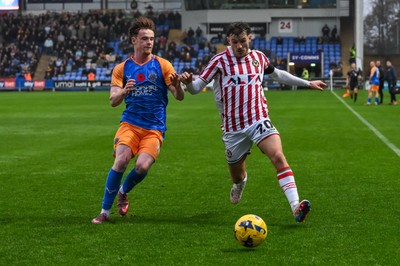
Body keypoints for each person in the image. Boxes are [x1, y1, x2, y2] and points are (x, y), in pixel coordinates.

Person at [180, 22, 326, 223]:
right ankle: (240, 184)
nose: (239, 46)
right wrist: (188, 83)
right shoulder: (219, 61)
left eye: (242, 41)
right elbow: (196, 88)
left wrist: (307, 83)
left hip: (258, 119)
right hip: (233, 128)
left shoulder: (259, 57)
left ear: (249, 39)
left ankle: (295, 207)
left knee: (278, 156)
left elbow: (277, 74)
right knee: (237, 176)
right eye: (234, 42)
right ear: (228, 41)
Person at [91, 16, 185, 224]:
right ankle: (104, 212)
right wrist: (124, 91)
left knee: (142, 167)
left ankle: (123, 191)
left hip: (154, 128)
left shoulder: (163, 65)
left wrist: (177, 85)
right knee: (121, 160)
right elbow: (113, 101)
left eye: (151, 38)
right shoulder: (122, 69)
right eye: (144, 38)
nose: (149, 42)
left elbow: (179, 96)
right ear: (134, 40)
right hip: (130, 125)